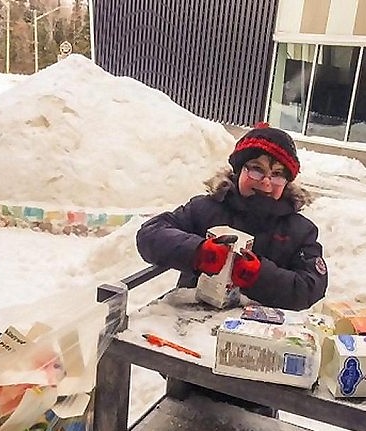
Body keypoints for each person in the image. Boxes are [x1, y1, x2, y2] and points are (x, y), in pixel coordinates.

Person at [136, 123, 327, 311]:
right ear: (239, 170)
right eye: (256, 169)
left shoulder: (300, 230)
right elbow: (150, 234)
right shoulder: (206, 209)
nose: (266, 183)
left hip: (260, 334)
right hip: (189, 327)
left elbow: (310, 287)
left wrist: (259, 276)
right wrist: (197, 252)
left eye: (278, 174)